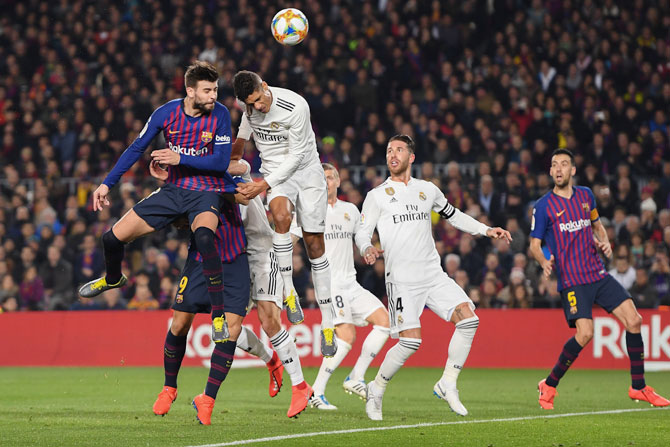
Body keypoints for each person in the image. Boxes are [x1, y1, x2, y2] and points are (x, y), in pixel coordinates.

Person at [355, 135, 512, 420]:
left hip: (432, 274)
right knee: (410, 342)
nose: (393, 154)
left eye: (399, 150)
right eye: (389, 150)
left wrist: (486, 230)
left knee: (469, 319)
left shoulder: (427, 190)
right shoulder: (377, 195)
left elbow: (455, 216)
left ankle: (447, 383)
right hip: (401, 279)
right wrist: (366, 248)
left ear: (411, 157)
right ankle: (376, 389)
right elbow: (362, 231)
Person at [79, 61, 236, 343]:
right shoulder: (166, 113)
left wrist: (180, 158)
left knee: (204, 238)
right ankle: (113, 279)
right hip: (174, 190)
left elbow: (221, 162)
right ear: (190, 91)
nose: (214, 96)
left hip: (207, 191)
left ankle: (218, 316)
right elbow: (136, 147)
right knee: (111, 239)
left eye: (215, 90)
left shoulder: (221, 115)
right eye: (208, 90)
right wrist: (106, 184)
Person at [150, 160, 313, 422]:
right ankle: (271, 359)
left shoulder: (235, 171)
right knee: (228, 327)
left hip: (260, 255)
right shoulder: (202, 183)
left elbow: (241, 165)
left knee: (269, 320)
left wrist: (186, 167)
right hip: (229, 257)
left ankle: (300, 386)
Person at [529, 148, 669, 410]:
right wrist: (543, 261)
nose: (558, 169)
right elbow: (534, 245)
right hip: (572, 280)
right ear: (550, 171)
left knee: (635, 320)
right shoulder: (544, 206)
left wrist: (605, 242)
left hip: (597, 274)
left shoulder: (586, 196)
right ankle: (549, 384)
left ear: (572, 170)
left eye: (564, 164)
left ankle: (638, 387)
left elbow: (596, 224)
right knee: (586, 334)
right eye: (554, 165)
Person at [232, 70, 336, 357]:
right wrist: (237, 150)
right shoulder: (248, 105)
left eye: (258, 101)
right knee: (280, 218)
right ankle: (289, 292)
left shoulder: (296, 106)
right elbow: (245, 127)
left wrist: (264, 184)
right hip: (274, 172)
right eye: (250, 104)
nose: (257, 108)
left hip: (306, 171)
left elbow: (297, 157)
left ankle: (328, 323)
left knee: (315, 245)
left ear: (265, 87)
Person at [299, 163, 390, 410]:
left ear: (338, 181)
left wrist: (367, 249)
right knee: (347, 337)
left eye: (330, 177)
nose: (326, 182)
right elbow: (289, 235)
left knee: (385, 321)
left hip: (351, 282)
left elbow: (361, 237)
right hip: (329, 285)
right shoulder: (309, 210)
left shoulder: (350, 209)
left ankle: (356, 377)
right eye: (322, 178)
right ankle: (316, 392)